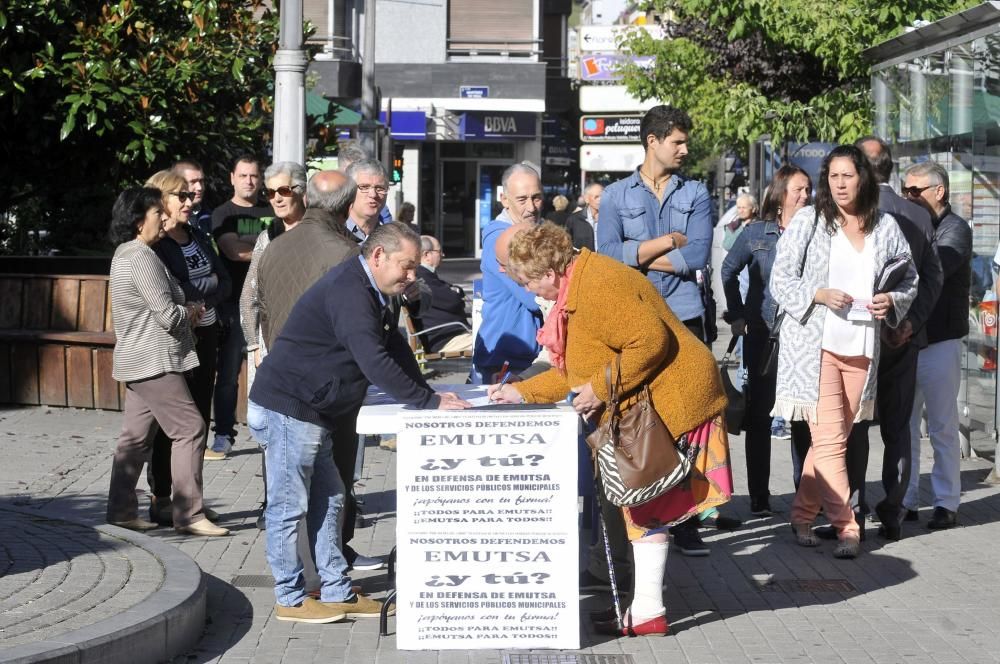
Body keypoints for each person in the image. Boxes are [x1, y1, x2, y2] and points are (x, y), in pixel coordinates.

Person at [489, 222, 732, 637]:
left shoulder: (599, 284)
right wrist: (521, 393)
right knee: (640, 506)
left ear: (549, 273)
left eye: (530, 283)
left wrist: (600, 389)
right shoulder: (577, 284)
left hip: (673, 400)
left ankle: (648, 612)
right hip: (651, 402)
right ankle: (644, 609)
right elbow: (574, 372)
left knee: (643, 504)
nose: (531, 291)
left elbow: (649, 341)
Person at [247, 222, 469, 624]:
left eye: (416, 266)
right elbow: (374, 359)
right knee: (288, 507)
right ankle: (290, 599)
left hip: (316, 410)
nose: (412, 275)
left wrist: (429, 396)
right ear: (378, 256)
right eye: (406, 265)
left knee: (332, 499)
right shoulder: (351, 290)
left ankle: (335, 590)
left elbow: (394, 345)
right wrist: (427, 401)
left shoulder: (378, 291)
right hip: (289, 408)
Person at [770, 144, 918, 559]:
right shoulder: (810, 221)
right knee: (832, 441)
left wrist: (890, 302)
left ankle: (801, 514)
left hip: (863, 346)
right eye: (832, 176)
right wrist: (816, 293)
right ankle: (847, 525)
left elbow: (910, 278)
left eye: (847, 175)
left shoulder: (884, 225)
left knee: (832, 439)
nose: (839, 183)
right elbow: (780, 280)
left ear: (863, 178)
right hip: (816, 346)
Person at [597, 105, 713, 556]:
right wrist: (666, 243)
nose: (685, 150)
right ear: (653, 142)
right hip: (633, 321)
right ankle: (645, 511)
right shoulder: (615, 196)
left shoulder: (697, 192)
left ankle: (687, 520)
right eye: (677, 142)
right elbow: (606, 253)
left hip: (684, 317)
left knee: (686, 419)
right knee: (641, 420)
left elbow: (698, 256)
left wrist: (637, 254)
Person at [105, 187, 228, 537]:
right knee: (190, 429)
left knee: (135, 438)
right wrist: (189, 311)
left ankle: (121, 511)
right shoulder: (140, 256)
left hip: (140, 358)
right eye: (157, 212)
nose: (163, 217)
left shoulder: (130, 253)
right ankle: (189, 514)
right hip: (154, 359)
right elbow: (165, 314)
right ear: (137, 219)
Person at [839, 137, 942, 541]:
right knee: (897, 428)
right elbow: (932, 277)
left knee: (858, 424)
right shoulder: (917, 213)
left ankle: (854, 512)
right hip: (903, 336)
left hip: (860, 335)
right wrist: (910, 322)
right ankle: (893, 512)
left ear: (862, 170)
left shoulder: (854, 211)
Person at [721, 166, 813, 516]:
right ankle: (759, 494)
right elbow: (729, 270)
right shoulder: (757, 232)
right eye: (798, 190)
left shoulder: (816, 232)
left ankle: (805, 493)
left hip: (803, 336)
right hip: (764, 334)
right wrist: (739, 314)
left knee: (802, 417)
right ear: (780, 194)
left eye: (808, 190)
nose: (805, 196)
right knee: (760, 418)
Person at [145, 170, 230, 525]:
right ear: (160, 200)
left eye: (189, 194)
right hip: (177, 340)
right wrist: (200, 292)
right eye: (179, 195)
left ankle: (190, 497)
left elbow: (223, 280)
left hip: (206, 335)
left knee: (199, 416)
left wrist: (201, 292)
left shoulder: (197, 234)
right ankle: (163, 497)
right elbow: (174, 290)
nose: (188, 200)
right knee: (174, 424)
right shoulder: (155, 244)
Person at [902, 161, 973, 529]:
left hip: (941, 341)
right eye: (905, 191)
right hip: (908, 340)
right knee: (905, 426)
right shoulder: (908, 225)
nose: (908, 197)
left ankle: (947, 502)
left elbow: (938, 269)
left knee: (943, 426)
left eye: (915, 191)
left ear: (939, 191)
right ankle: (907, 498)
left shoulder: (955, 229)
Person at [211, 156, 275, 456]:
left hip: (272, 304)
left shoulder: (272, 211)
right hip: (236, 304)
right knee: (228, 374)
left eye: (254, 175)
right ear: (232, 178)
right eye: (244, 175)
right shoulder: (223, 213)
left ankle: (272, 430)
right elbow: (233, 251)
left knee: (273, 370)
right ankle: (223, 433)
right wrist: (271, 252)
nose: (249, 181)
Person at [236, 161, 307, 406]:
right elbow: (249, 293)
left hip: (310, 344)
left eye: (284, 191)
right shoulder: (268, 236)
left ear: (301, 190)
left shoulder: (318, 233)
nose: (276, 199)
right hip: (269, 344)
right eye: (270, 193)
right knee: (263, 420)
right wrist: (255, 346)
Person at [473, 163, 545, 383]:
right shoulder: (501, 239)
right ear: (504, 200)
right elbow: (535, 296)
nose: (531, 207)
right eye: (522, 199)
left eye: (537, 197)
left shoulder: (536, 232)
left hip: (528, 352)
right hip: (505, 355)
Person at [415, 235, 472, 353]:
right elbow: (453, 301)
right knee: (492, 342)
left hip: (450, 335)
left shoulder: (425, 275)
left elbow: (451, 293)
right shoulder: (422, 277)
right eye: (439, 251)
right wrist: (455, 293)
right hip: (445, 339)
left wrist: (455, 291)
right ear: (426, 255)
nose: (443, 255)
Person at [345, 159, 392, 242]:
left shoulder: (392, 239)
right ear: (348, 190)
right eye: (364, 187)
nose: (373, 194)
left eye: (380, 188)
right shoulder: (333, 234)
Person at [172, 159, 212, 236]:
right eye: (193, 182)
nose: (199, 187)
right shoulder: (164, 222)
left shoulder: (208, 215)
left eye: (201, 181)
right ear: (176, 183)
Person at [566, 182, 603, 251]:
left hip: (606, 261)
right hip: (583, 260)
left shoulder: (611, 219)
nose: (600, 200)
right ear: (586, 199)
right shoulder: (574, 220)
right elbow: (567, 244)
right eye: (596, 197)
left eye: (603, 196)